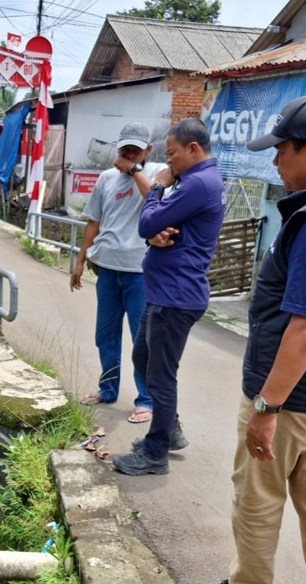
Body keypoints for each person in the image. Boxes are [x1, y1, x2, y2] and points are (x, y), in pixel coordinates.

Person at [220, 94, 306, 584]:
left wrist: (267, 407)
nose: (274, 161)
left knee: (257, 501)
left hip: (293, 399)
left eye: (281, 149)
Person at [112, 117, 226, 476]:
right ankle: (169, 428)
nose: (168, 162)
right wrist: (156, 233)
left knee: (161, 376)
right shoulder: (196, 180)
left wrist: (158, 189)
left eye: (173, 154)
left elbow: (147, 223)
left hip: (175, 296)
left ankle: (155, 452)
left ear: (193, 149)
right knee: (143, 356)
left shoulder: (198, 183)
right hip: (165, 292)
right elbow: (159, 230)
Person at [71, 122, 166, 424]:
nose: (129, 153)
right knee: (105, 334)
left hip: (140, 271)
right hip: (108, 269)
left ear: (148, 150)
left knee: (142, 339)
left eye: (136, 149)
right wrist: (80, 259)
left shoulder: (158, 173)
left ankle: (146, 399)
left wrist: (134, 170)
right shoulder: (106, 178)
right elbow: (93, 221)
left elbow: (156, 201)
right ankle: (108, 388)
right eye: (125, 148)